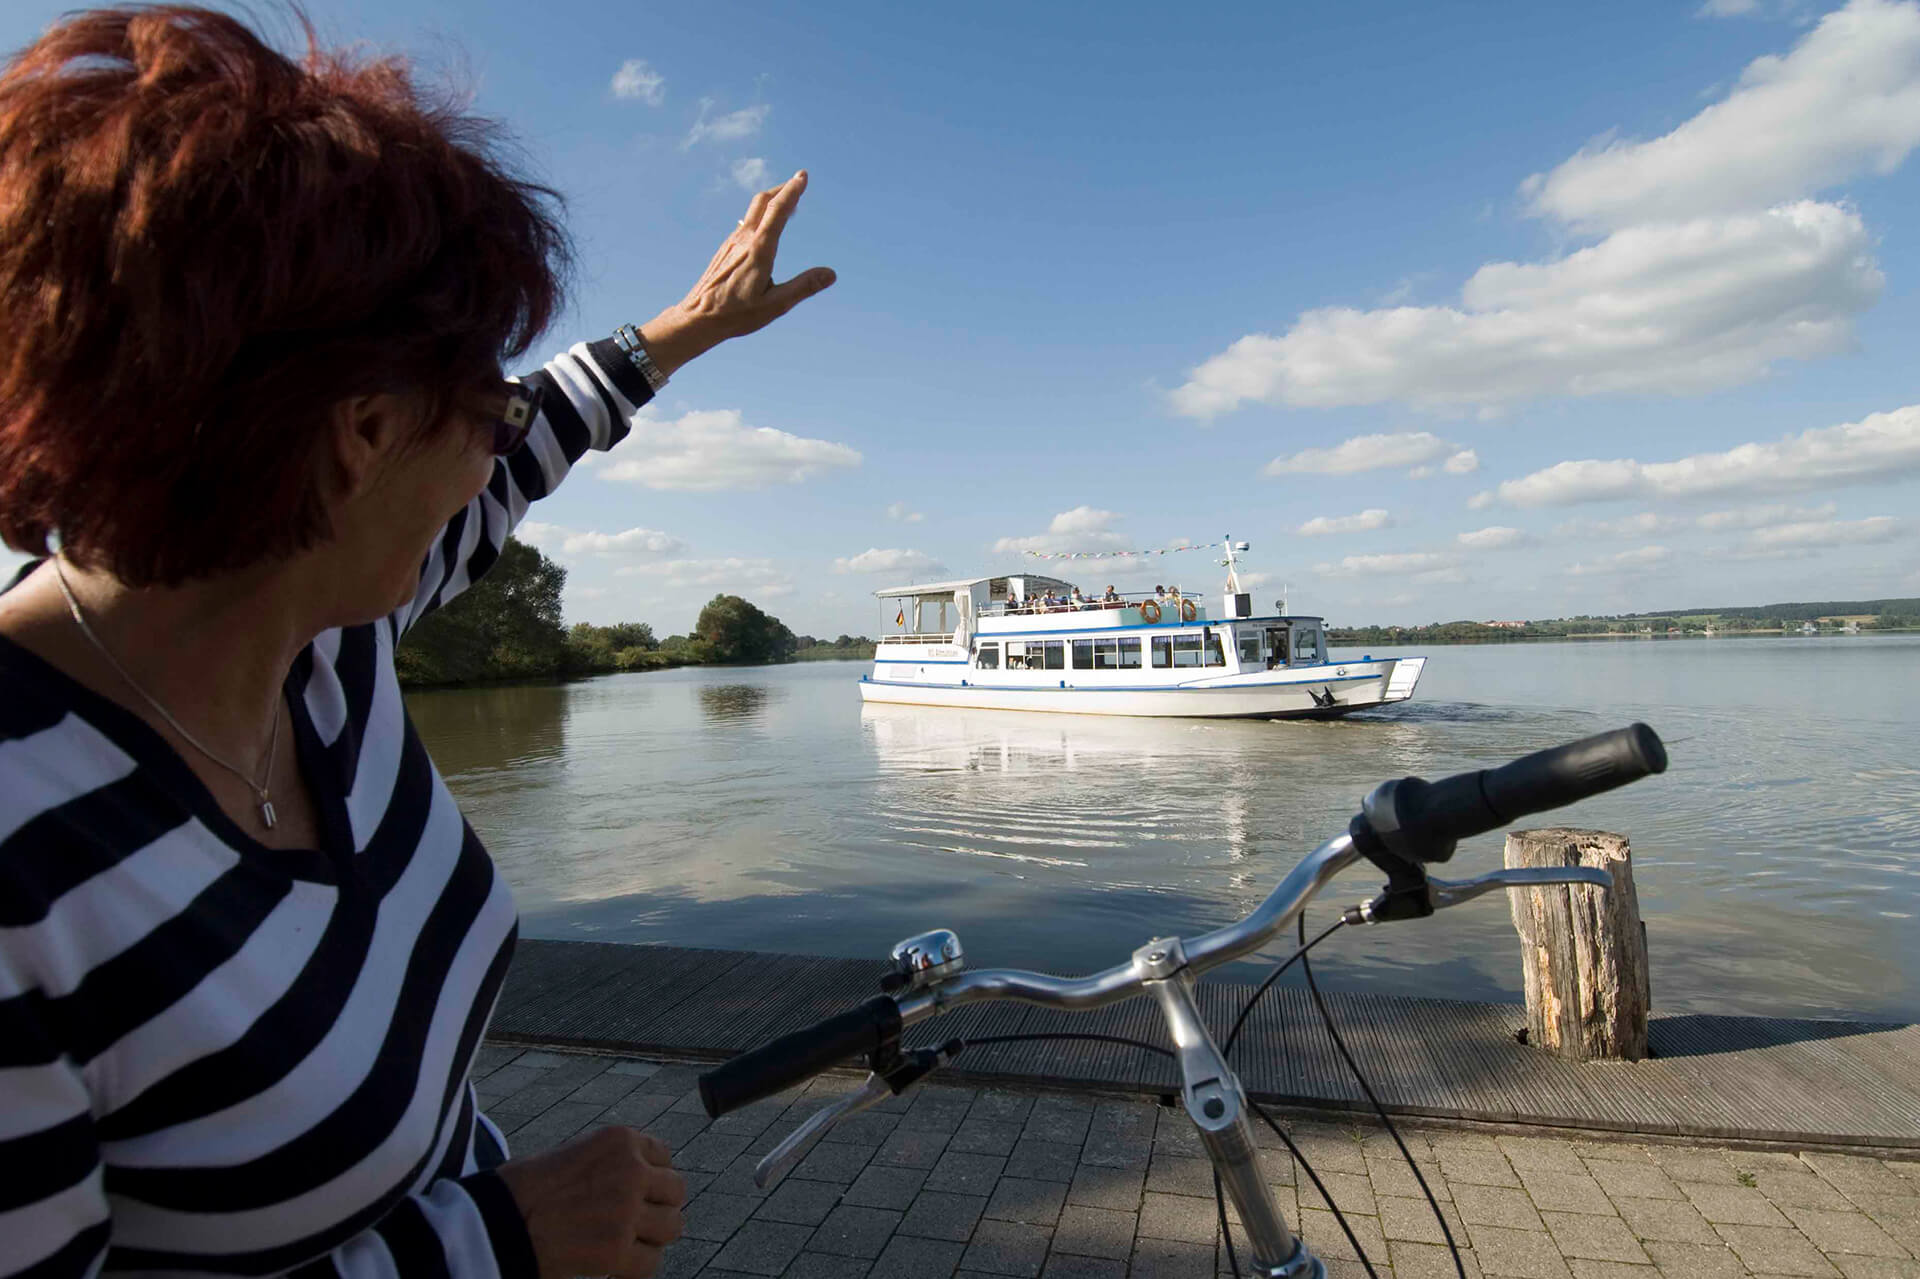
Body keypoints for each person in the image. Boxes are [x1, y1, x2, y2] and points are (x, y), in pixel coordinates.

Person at [0, 9, 835, 1276]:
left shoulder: (316, 627)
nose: (498, 446)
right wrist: (490, 1239)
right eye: (481, 407)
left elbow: (538, 441)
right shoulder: (23, 861)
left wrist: (690, 327)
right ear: (365, 435)